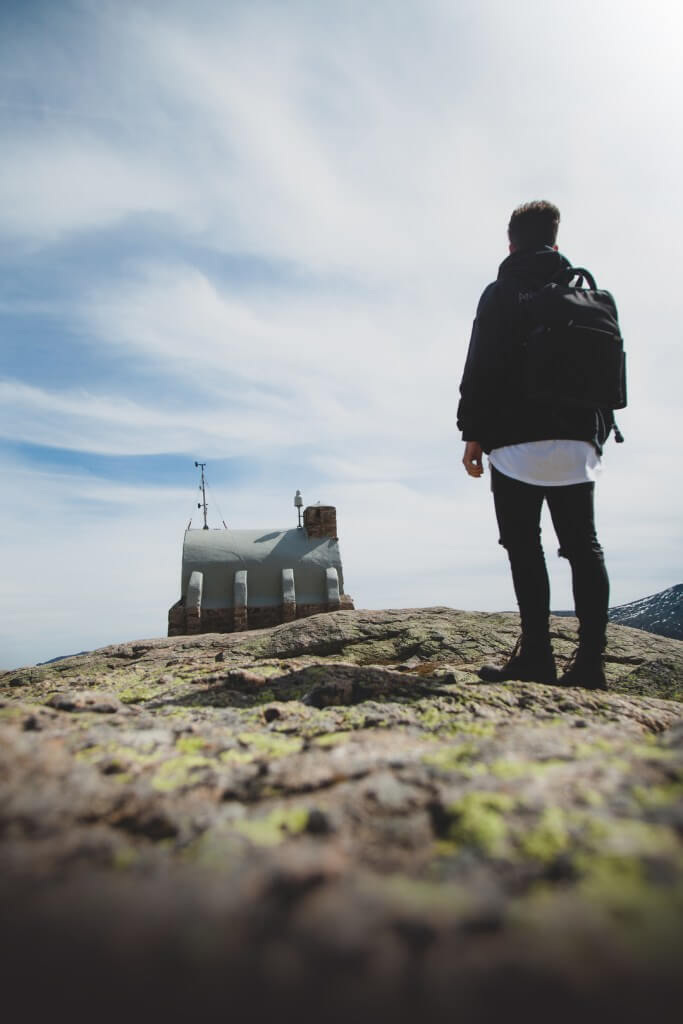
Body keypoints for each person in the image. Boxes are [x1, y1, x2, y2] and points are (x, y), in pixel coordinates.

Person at [457, 200, 613, 689]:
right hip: (577, 440)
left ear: (511, 244)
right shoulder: (582, 291)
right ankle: (590, 664)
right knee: (584, 547)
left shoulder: (500, 293)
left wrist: (471, 433)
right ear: (556, 241)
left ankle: (537, 658)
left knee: (525, 548)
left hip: (514, 441)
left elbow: (480, 366)